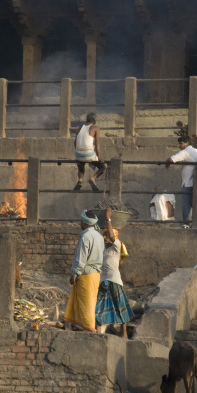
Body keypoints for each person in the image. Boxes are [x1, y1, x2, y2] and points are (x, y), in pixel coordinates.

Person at [95, 208, 134, 337]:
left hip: (114, 281)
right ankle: (99, 332)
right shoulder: (102, 249)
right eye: (104, 235)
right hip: (103, 282)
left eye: (107, 235)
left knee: (120, 307)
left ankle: (124, 333)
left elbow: (111, 236)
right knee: (99, 308)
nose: (105, 237)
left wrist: (108, 219)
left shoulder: (116, 246)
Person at [64, 210, 105, 332]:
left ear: (85, 222)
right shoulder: (99, 236)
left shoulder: (86, 237)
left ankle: (90, 328)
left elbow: (81, 258)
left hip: (86, 275)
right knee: (87, 300)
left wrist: (74, 274)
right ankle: (80, 324)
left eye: (81, 221)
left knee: (87, 303)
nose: (80, 223)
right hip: (96, 274)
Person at [166, 136, 197, 223]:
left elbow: (172, 159)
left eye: (181, 143)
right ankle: (195, 223)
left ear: (187, 143)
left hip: (188, 183)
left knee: (186, 204)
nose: (180, 145)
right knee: (195, 204)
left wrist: (166, 161)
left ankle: (187, 223)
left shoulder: (186, 151)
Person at [74, 112, 105, 191]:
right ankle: (93, 178)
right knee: (102, 167)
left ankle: (80, 180)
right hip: (89, 155)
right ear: (94, 121)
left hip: (78, 154)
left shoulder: (80, 127)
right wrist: (99, 157)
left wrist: (78, 153)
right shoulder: (96, 128)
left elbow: (75, 142)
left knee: (81, 167)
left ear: (86, 120)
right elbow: (97, 144)